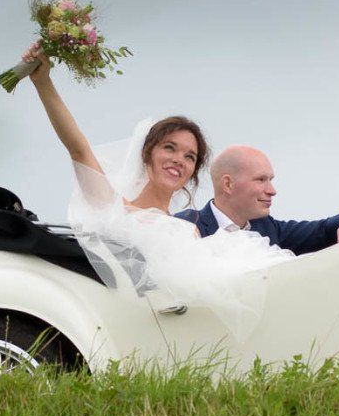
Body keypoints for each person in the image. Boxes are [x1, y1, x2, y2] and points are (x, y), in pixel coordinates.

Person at [21, 45, 288, 334]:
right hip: (123, 325)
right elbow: (78, 148)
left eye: (190, 157)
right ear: (148, 153)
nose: (178, 160)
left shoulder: (189, 229)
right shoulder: (113, 207)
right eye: (169, 148)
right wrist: (43, 82)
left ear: (191, 174)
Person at [176, 145, 339, 254]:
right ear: (228, 184)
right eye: (260, 180)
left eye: (270, 180)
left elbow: (322, 230)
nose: (272, 190)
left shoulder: (267, 226)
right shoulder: (185, 225)